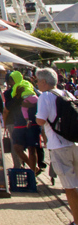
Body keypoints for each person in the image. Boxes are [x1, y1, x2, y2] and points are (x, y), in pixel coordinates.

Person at [35, 66, 78, 225]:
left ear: (44, 81)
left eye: (38, 81)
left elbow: (40, 120)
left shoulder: (45, 96)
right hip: (74, 142)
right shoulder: (66, 93)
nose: (37, 84)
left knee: (69, 186)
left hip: (58, 145)